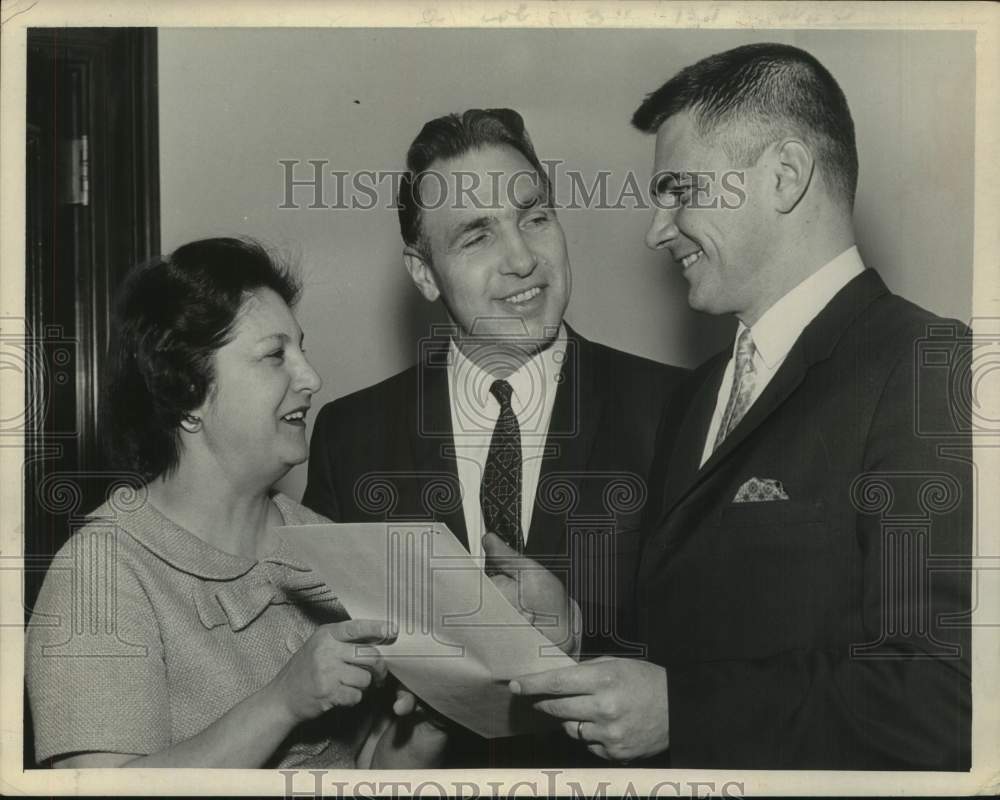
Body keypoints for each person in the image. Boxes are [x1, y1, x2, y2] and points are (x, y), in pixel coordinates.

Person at [510, 42, 972, 770]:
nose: (656, 230)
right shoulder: (695, 396)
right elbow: (690, 645)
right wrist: (569, 633)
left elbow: (948, 694)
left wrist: (682, 713)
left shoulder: (927, 366)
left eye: (678, 190)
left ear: (785, 176)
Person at [303, 108, 687, 764]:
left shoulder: (676, 411)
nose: (522, 259)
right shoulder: (351, 437)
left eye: (534, 218)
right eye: (477, 236)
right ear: (425, 274)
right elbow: (322, 679)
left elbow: (726, 658)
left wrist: (576, 636)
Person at [26, 237, 447, 768]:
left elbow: (364, 773)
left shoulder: (328, 546)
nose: (311, 378)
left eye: (302, 349)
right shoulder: (102, 571)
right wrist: (282, 702)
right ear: (188, 394)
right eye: (276, 356)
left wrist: (433, 718)